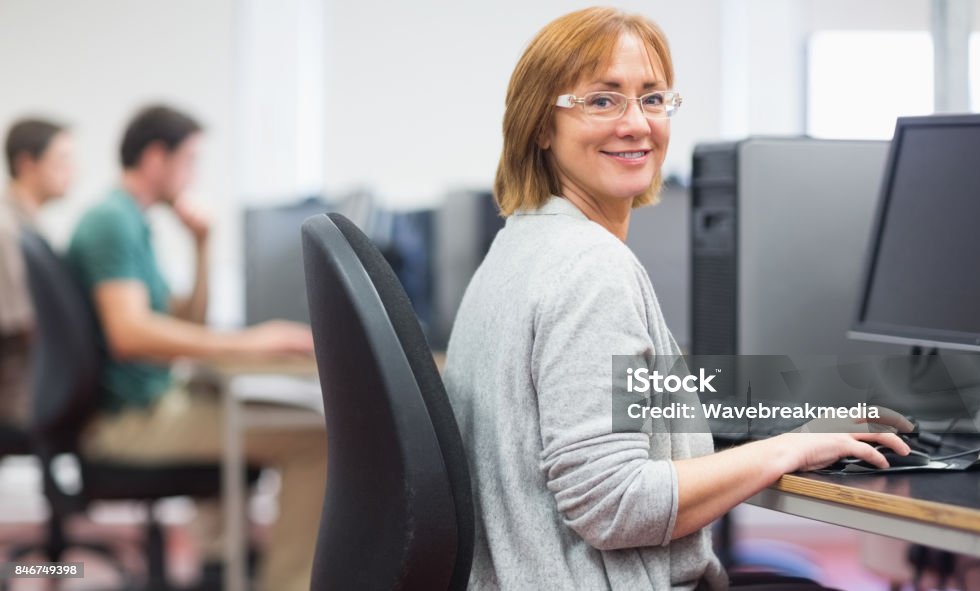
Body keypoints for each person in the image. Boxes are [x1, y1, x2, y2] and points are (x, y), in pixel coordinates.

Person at [442, 8, 912, 591]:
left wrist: (786, 414)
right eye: (602, 100)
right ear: (542, 125)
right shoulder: (590, 267)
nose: (637, 124)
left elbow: (620, 405)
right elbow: (612, 505)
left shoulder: (521, 244)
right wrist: (787, 449)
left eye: (653, 98)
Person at [66, 105, 325, 591]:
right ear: (156, 157)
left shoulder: (133, 222)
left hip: (148, 403)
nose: (194, 175)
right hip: (130, 422)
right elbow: (131, 335)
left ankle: (217, 568)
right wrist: (247, 343)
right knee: (318, 439)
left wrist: (202, 245)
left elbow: (185, 324)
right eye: (189, 160)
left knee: (258, 411)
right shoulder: (111, 222)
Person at [0, 118, 74, 427]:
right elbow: (28, 327)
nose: (73, 172)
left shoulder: (33, 228)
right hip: (22, 392)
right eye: (62, 161)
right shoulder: (6, 230)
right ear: (27, 163)